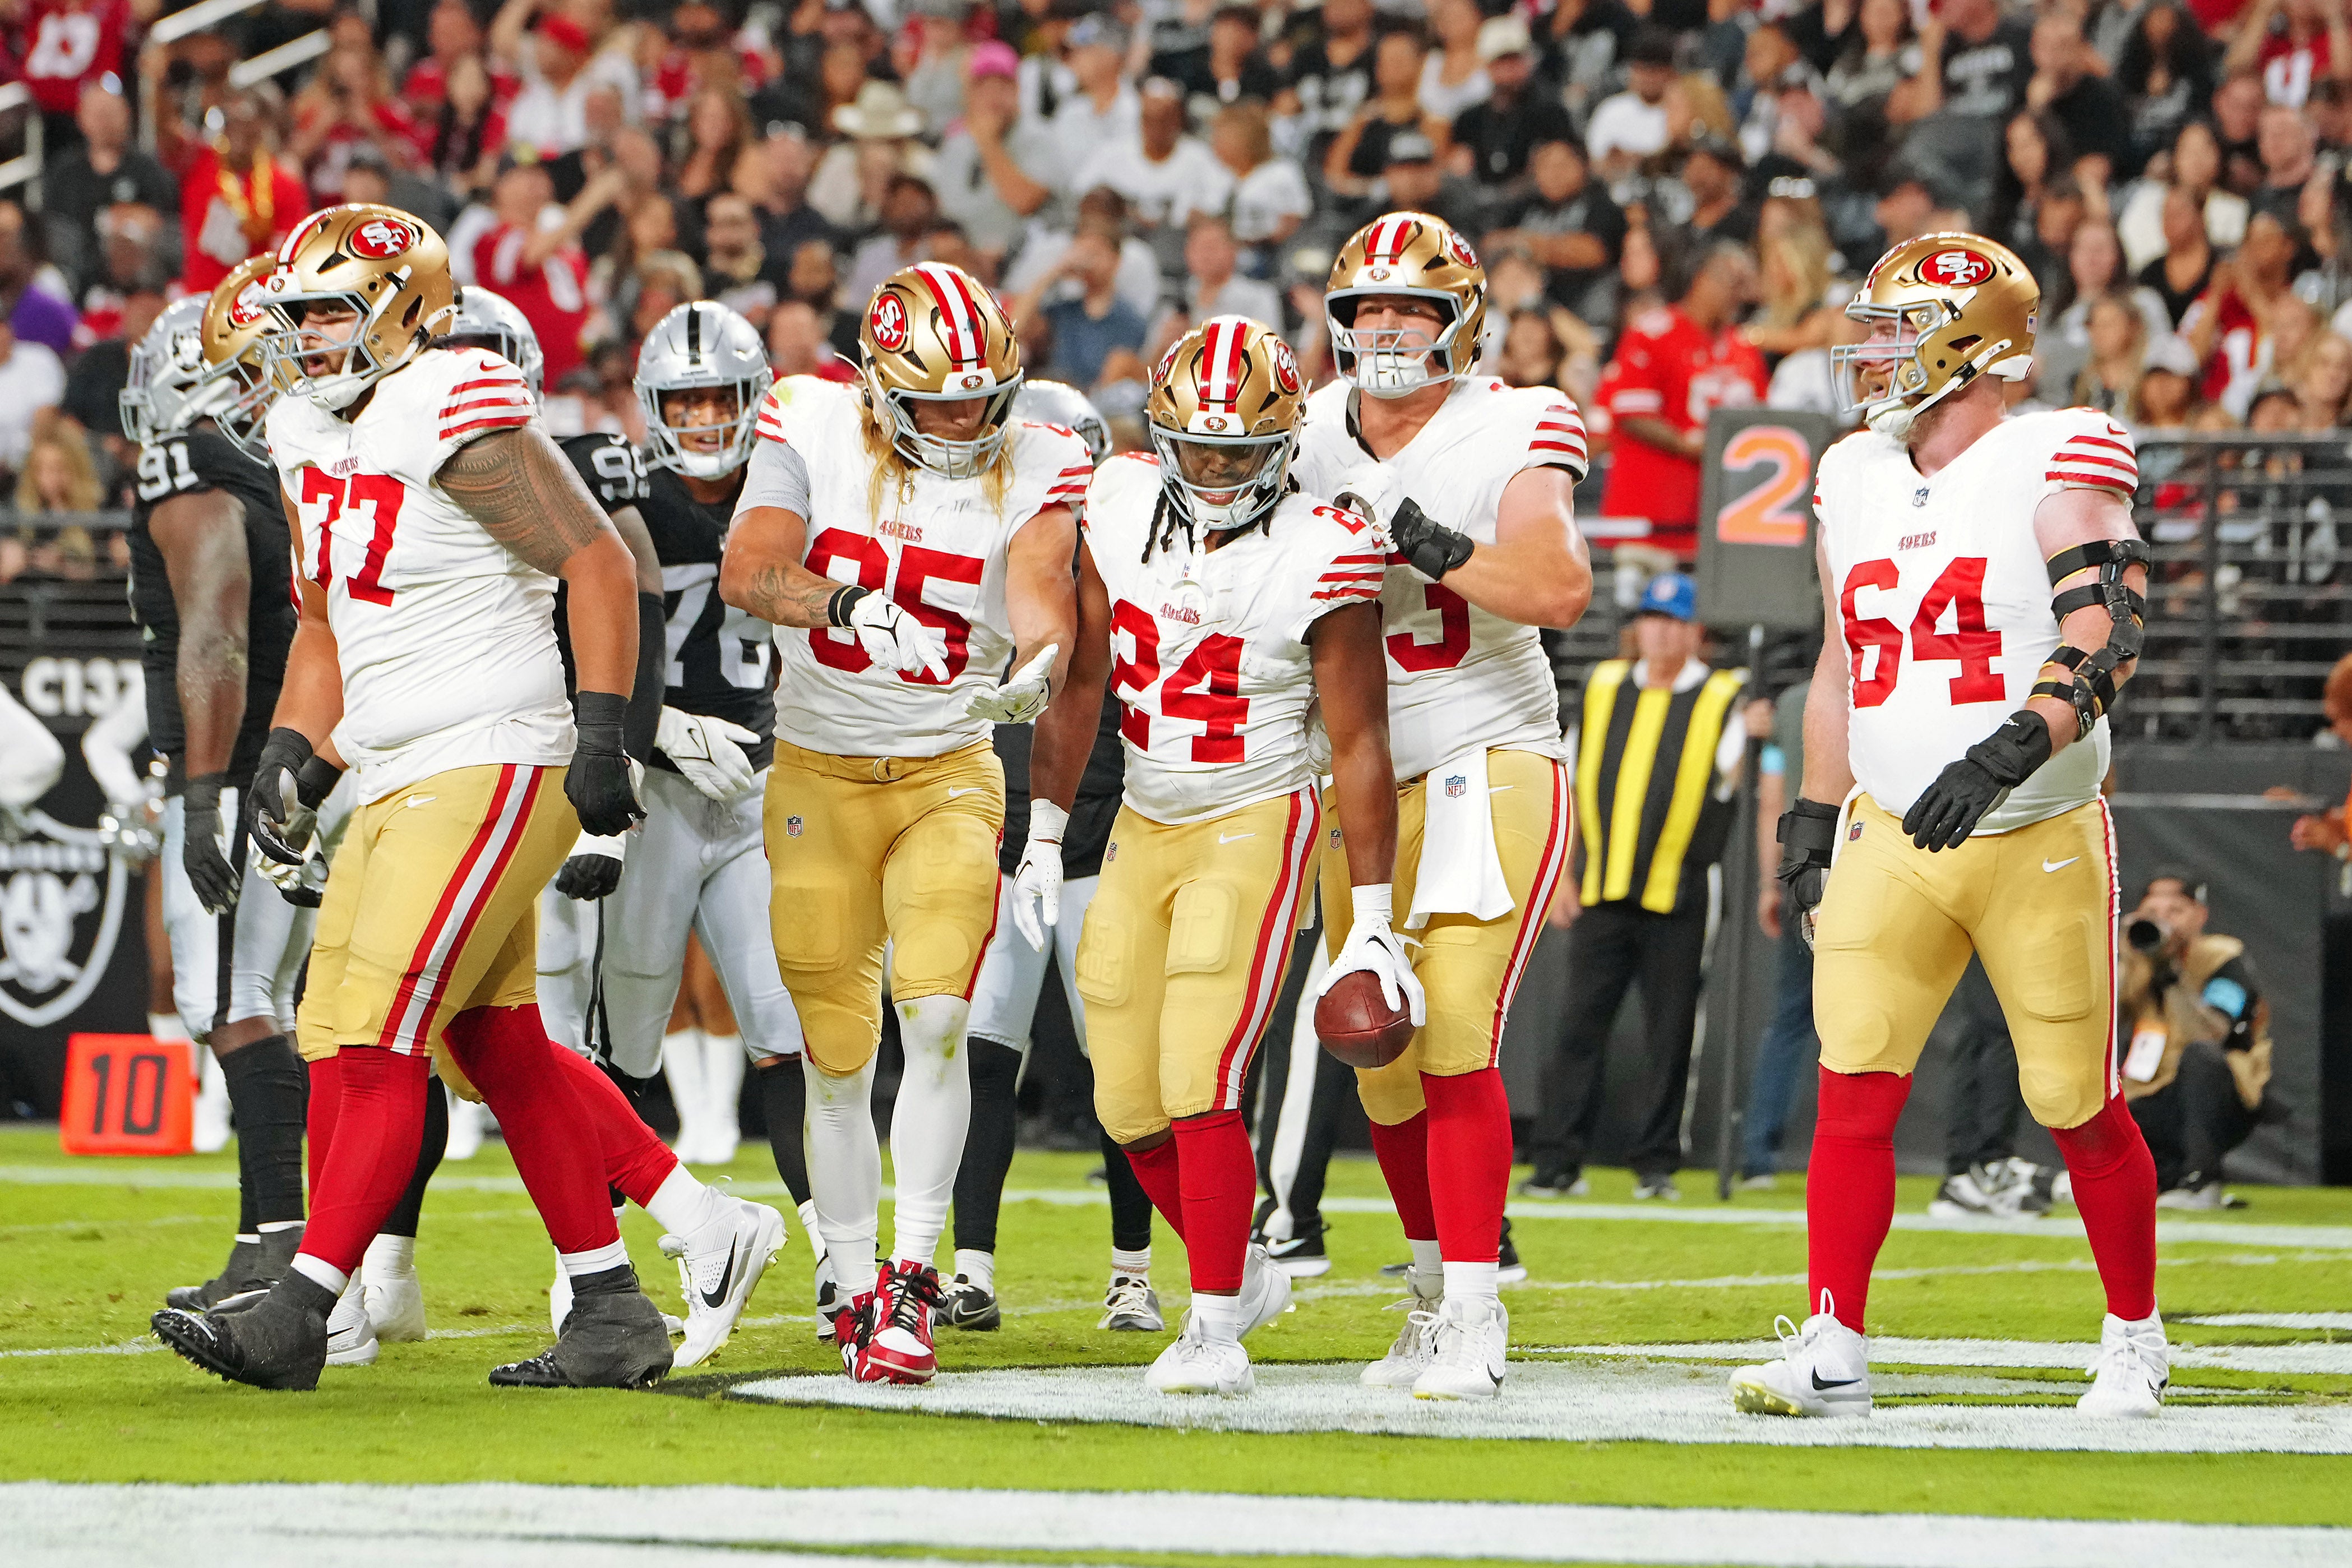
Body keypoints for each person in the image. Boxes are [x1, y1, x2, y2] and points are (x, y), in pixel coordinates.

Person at [150, 204, 727, 1394]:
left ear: (401, 306)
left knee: (370, 1032)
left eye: (326, 313)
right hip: (400, 757)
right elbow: (325, 619)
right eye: (295, 316)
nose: (304, 340)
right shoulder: (312, 428)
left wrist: (607, 731)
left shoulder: (448, 394)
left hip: (495, 746)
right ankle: (616, 1306)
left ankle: (306, 1307)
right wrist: (294, 754)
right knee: (490, 1039)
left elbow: (598, 561)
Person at [1731, 231, 2164, 1421]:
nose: (1871, 356)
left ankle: (2134, 1332)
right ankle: (1833, 1345)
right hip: (1893, 830)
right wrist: (1815, 811)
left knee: (2073, 1097)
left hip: (2035, 825)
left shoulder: (2054, 450)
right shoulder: (1851, 473)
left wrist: (2010, 747)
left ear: (1972, 343)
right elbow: (1838, 666)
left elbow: (2109, 633)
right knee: (1853, 1079)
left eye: (1896, 330)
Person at [719, 261, 1091, 1385]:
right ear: (879, 387)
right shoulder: (808, 416)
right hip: (817, 769)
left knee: (936, 1021)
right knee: (838, 1055)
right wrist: (846, 604)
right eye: (934, 399)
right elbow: (749, 568)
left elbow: (1039, 576)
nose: (964, 419)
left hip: (948, 767)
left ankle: (913, 1280)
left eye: (982, 396)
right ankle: (844, 1271)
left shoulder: (1039, 451)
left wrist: (1037, 659)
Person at [1057, 316, 1409, 1395]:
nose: (1214, 470)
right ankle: (1244, 1268)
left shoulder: (1324, 545)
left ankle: (1212, 1325)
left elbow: (1358, 738)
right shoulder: (1112, 503)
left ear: (1282, 446)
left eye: (1238, 452)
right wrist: (1036, 826)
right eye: (1198, 448)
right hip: (1144, 817)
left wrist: (1375, 910)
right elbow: (1078, 674)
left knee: (1199, 1068)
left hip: (1257, 811)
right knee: (1123, 1098)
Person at [1290, 212, 1592, 1399]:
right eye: (1366, 309)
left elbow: (1557, 584)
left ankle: (1476, 1309)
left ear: (1459, 321)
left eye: (1411, 309)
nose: (1387, 330)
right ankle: (1426, 1294)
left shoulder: (1515, 419)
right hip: (1352, 773)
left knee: (1455, 1026)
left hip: (1485, 751)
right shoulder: (1306, 427)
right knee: (1378, 1049)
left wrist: (1416, 533)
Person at [575, 302, 811, 1356]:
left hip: (760, 794)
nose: (708, 416)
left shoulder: (793, 490)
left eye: (723, 395)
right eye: (688, 399)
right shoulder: (624, 496)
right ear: (653, 405)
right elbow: (574, 629)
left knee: (787, 1028)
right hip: (658, 793)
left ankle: (844, 1266)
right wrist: (653, 726)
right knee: (625, 1037)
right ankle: (594, 1277)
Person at [944, 378, 1165, 1335]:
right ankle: (972, 1269)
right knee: (981, 1057)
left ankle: (1133, 1270)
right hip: (996, 835)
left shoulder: (1125, 565)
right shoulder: (974, 552)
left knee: (1117, 1069)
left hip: (1096, 837)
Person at [121, 285, 312, 1318]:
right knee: (255, 1003)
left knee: (236, 1004)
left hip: (243, 769)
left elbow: (216, 632)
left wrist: (203, 795)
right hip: (285, 767)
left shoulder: (192, 468)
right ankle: (268, 1242)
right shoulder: (269, 476)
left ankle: (288, 1251)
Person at [1527, 572, 1759, 1201]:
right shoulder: (1602, 686)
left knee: (1672, 1033)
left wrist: (1758, 734)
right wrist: (1563, 874)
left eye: (1673, 620)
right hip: (1602, 887)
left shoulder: (1721, 698)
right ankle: (1556, 1162)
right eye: (1651, 618)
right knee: (1577, 1027)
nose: (1659, 631)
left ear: (1694, 633)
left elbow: (1735, 778)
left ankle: (1655, 1163)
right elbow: (1567, 781)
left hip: (1678, 894)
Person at [1593, 243, 1768, 564]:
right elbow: (1633, 414)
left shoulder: (1744, 347)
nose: (1740, 296)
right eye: (1734, 283)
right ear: (1703, 280)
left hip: (1715, 521)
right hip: (1651, 518)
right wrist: (1695, 445)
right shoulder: (1653, 333)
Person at [2120, 871, 2276, 1208]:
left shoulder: (2222, 956)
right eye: (2153, 912)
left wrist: (2173, 976)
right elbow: (2100, 1015)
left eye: (2175, 911)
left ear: (2200, 916)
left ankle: (2202, 1180)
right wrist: (2122, 952)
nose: (2163, 919)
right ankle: (2154, 1181)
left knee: (2201, 1057)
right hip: (2156, 1089)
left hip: (2224, 1095)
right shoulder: (2134, 957)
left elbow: (2213, 1033)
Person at [1737, 677, 1818, 1188]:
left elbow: (1772, 799)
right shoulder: (1882, 686)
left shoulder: (1791, 703)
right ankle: (1859, 1145)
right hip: (1865, 867)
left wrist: (1771, 883)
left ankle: (1757, 1151)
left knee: (1789, 1020)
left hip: (1800, 873)